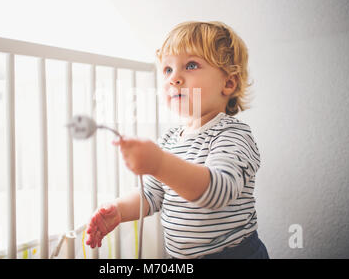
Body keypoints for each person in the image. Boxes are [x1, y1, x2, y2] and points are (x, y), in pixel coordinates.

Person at [85, 21, 269, 259]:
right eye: (167, 70)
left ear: (228, 83)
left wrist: (160, 164)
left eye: (191, 65)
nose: (174, 78)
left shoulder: (232, 134)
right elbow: (151, 195)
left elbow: (218, 191)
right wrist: (119, 210)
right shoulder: (170, 139)